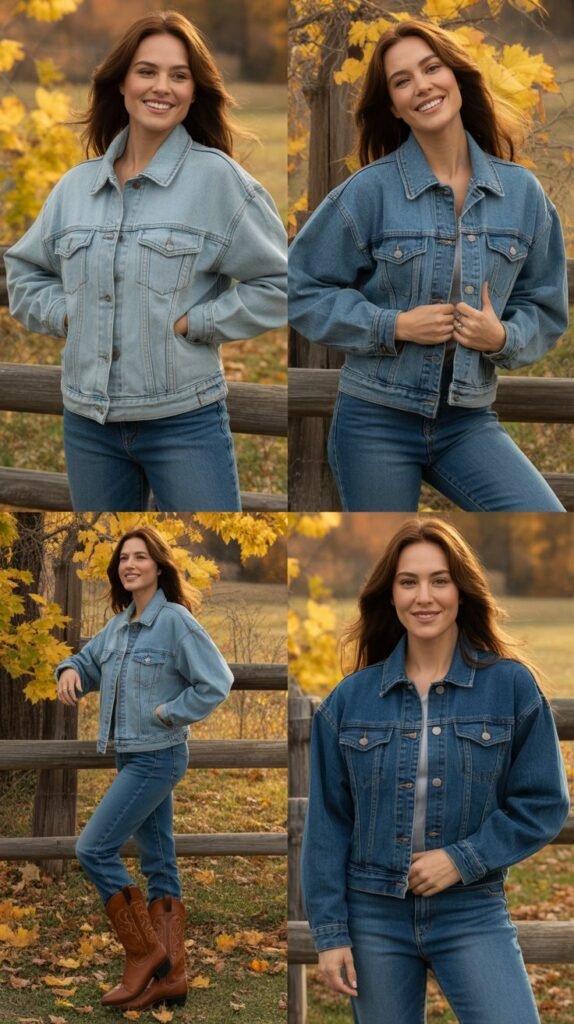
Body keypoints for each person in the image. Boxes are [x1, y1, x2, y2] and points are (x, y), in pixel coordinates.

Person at [6, 10, 287, 512]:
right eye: (147, 71)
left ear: (195, 91)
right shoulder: (75, 188)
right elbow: (24, 273)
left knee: (207, 555)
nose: (163, 87)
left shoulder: (219, 182)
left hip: (185, 422)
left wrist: (198, 322)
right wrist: (69, 313)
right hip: (87, 426)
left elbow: (282, 283)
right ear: (121, 83)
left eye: (179, 75)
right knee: (102, 561)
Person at [288, 19, 568, 511]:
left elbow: (543, 305)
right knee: (385, 547)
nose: (422, 86)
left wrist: (501, 338)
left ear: (456, 77)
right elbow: (299, 287)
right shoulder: (368, 191)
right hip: (375, 418)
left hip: (468, 419)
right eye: (402, 81)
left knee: (540, 514)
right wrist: (391, 325)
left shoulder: (523, 194)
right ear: (394, 106)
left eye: (431, 68)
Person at [301, 518, 570, 1023]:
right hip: (373, 913)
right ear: (391, 596)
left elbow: (543, 804)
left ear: (462, 592)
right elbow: (328, 825)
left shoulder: (511, 687)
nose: (424, 596)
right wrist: (331, 933)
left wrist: (461, 859)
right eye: (409, 582)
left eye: (439, 580)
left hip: (472, 908)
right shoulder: (348, 701)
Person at [56, 525, 233, 1010]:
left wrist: (169, 713)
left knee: (93, 847)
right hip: (131, 754)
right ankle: (171, 976)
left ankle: (143, 953)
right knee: (159, 863)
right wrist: (70, 669)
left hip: (158, 756)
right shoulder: (117, 627)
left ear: (158, 565)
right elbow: (87, 663)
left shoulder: (174, 620)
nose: (129, 564)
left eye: (140, 556)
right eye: (123, 559)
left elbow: (217, 681)